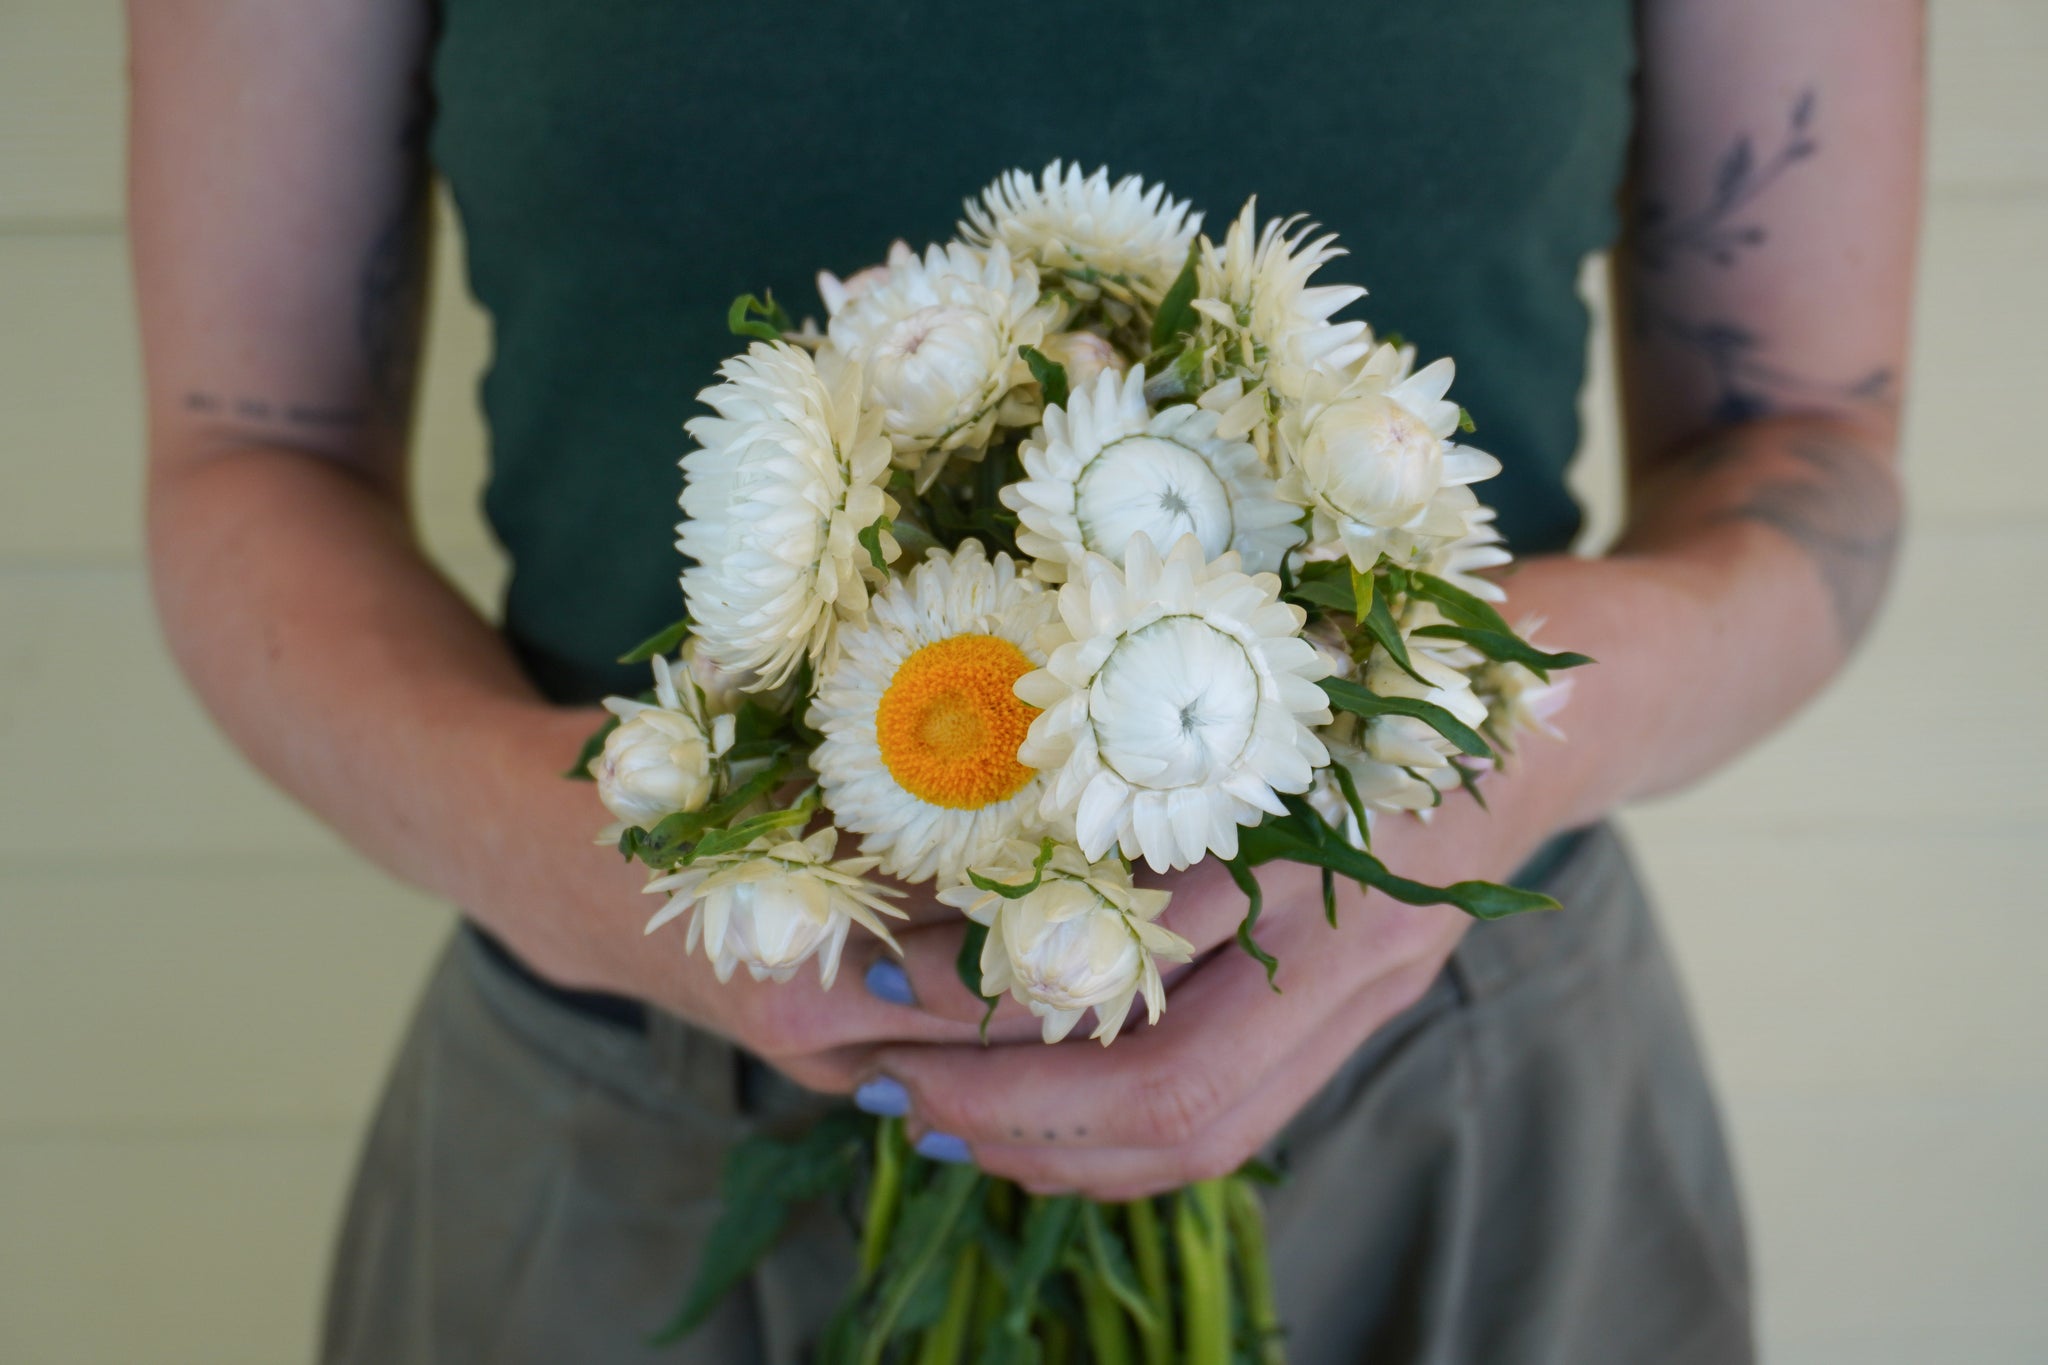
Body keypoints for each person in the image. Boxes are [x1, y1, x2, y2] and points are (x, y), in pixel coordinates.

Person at [127, 2, 1921, 1361]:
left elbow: (1810, 446)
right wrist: (603, 854)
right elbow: (245, 452)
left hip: (1444, 1096)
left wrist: (1482, 760)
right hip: (633, 1089)